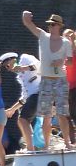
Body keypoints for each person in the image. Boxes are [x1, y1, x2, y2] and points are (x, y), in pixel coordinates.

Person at [23, 11, 74, 151]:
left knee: (62, 114)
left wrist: (61, 61)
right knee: (46, 115)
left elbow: (70, 61)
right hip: (46, 80)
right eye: (49, 24)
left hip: (60, 81)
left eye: (52, 24)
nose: (50, 26)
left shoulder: (66, 42)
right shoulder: (43, 37)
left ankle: (67, 143)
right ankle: (46, 145)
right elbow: (29, 24)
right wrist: (26, 17)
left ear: (59, 26)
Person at [0, 52, 41, 152]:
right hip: (33, 97)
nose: (8, 68)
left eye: (7, 65)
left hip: (40, 93)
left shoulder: (25, 58)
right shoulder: (20, 77)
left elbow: (38, 66)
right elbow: (24, 97)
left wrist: (22, 68)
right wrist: (12, 109)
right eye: (5, 67)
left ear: (12, 60)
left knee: (23, 120)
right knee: (21, 121)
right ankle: (32, 146)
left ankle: (30, 148)